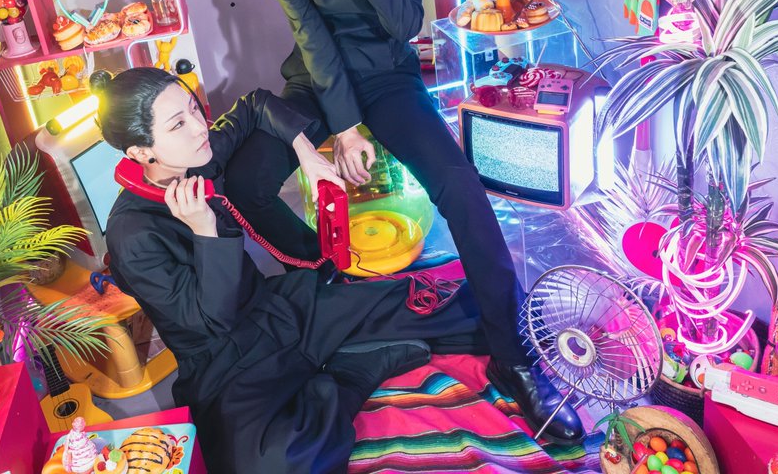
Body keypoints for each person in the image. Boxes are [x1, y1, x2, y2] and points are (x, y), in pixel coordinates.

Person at [226, 0, 583, 444]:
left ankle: (512, 357)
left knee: (461, 189)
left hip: (388, 75)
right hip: (318, 77)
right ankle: (324, 292)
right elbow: (311, 36)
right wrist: (344, 128)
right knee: (246, 180)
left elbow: (403, 26)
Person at [97, 67, 489, 474]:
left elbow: (255, 104)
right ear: (141, 152)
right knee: (273, 463)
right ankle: (352, 375)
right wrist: (204, 230)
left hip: (278, 310)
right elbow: (213, 319)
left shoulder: (195, 158)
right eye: (178, 124)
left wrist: (307, 154)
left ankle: (339, 357)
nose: (200, 127)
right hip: (226, 365)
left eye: (194, 109)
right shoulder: (131, 235)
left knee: (440, 310)